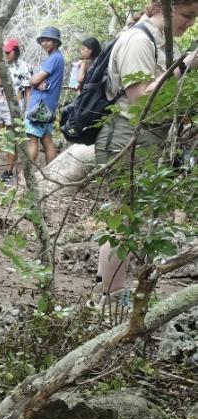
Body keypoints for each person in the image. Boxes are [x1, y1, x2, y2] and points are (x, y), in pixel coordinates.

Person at [93, 0, 197, 299]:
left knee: (130, 217)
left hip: (146, 137)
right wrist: (184, 67)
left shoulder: (160, 42)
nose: (190, 23)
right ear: (165, 6)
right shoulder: (139, 39)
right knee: (122, 219)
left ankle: (111, 289)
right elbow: (139, 99)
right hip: (128, 135)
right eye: (187, 15)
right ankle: (112, 297)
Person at [24, 27, 65, 165]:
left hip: (39, 106)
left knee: (32, 140)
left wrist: (33, 80)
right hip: (49, 105)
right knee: (47, 140)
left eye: (48, 40)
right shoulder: (59, 57)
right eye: (42, 40)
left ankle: (25, 179)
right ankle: (51, 174)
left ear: (56, 42)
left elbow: (35, 80)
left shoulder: (53, 59)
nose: (44, 43)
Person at [0, 38, 33, 181]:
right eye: (4, 52)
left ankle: (8, 171)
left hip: (15, 106)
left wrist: (27, 111)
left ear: (15, 52)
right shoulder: (0, 65)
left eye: (8, 52)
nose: (5, 55)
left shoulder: (24, 67)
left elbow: (28, 91)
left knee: (12, 139)